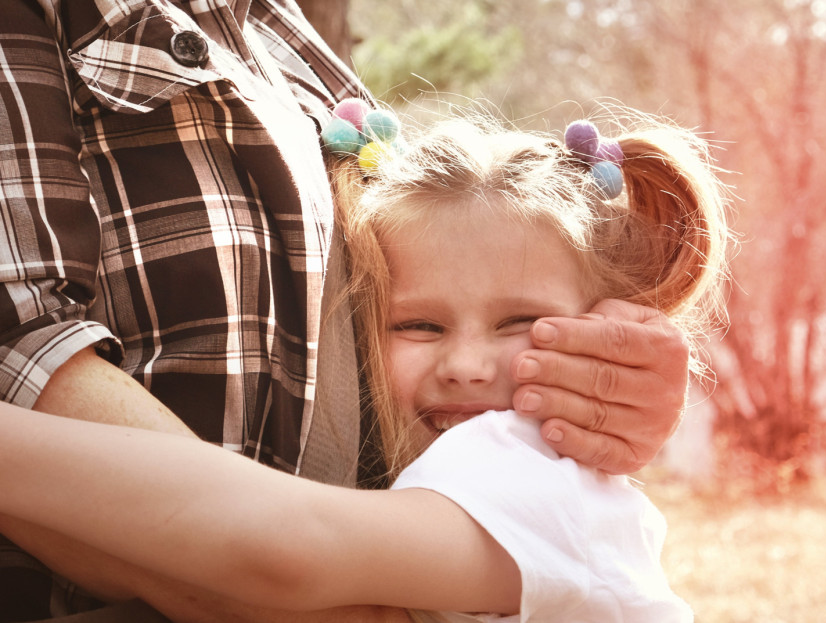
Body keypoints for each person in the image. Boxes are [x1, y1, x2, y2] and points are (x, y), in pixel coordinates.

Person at [1, 1, 694, 620]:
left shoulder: (531, 477)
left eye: (519, 323)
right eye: (419, 324)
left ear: (600, 328)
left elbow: (285, 545)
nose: (465, 365)